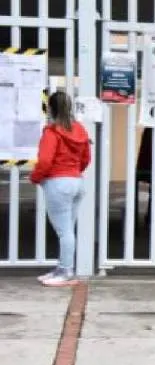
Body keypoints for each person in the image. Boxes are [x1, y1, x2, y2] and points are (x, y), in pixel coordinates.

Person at [30, 92, 91, 287]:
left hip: (58, 182)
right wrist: (74, 171)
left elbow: (46, 160)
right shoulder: (80, 130)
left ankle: (65, 271)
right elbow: (86, 158)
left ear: (51, 108)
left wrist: (36, 177)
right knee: (67, 230)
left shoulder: (51, 132)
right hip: (76, 182)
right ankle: (61, 267)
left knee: (64, 231)